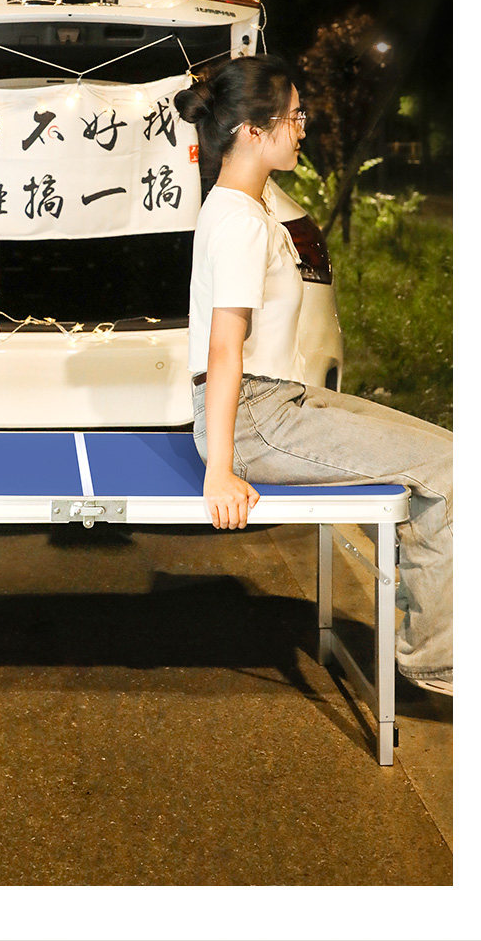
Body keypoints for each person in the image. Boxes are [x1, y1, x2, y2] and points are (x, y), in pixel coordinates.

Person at [173, 54, 452, 697]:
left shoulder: (243, 205)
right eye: (294, 117)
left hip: (279, 401)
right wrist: (221, 469)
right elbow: (223, 350)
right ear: (252, 130)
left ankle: (437, 634)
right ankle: (440, 661)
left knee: (450, 457)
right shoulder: (242, 223)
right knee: (450, 472)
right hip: (256, 419)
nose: (304, 128)